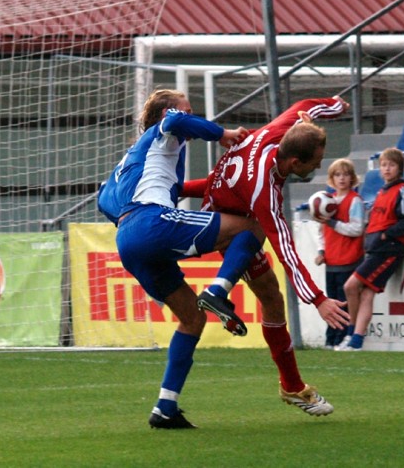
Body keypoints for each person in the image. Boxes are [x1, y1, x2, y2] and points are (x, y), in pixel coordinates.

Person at [98, 88, 266, 429]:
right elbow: (176, 120)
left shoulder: (132, 160)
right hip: (152, 223)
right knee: (250, 227)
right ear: (167, 116)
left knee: (191, 318)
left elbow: (105, 201)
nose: (191, 117)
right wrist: (225, 135)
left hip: (127, 240)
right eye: (188, 111)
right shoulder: (165, 129)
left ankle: (165, 407)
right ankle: (219, 291)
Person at [183, 96, 350, 416]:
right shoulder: (264, 192)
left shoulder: (283, 130)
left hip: (225, 196)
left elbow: (306, 106)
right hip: (224, 228)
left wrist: (336, 104)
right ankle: (219, 291)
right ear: (293, 163)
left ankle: (291, 385)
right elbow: (285, 248)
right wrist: (318, 299)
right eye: (315, 162)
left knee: (272, 297)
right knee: (261, 250)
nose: (318, 167)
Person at [336, 147, 404, 352]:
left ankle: (353, 334)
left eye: (391, 165)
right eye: (383, 165)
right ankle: (355, 339)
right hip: (377, 249)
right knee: (365, 293)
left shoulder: (402, 189)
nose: (387, 168)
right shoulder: (382, 191)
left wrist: (386, 235)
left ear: (399, 168)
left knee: (350, 286)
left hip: (389, 250)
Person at [313, 158, 365, 349]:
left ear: (352, 178)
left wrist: (333, 223)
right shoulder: (326, 200)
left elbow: (357, 229)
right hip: (332, 261)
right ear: (331, 179)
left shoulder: (355, 201)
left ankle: (343, 338)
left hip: (350, 260)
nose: (342, 178)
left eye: (346, 174)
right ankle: (331, 339)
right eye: (337, 175)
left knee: (344, 303)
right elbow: (321, 231)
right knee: (331, 302)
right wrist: (321, 251)